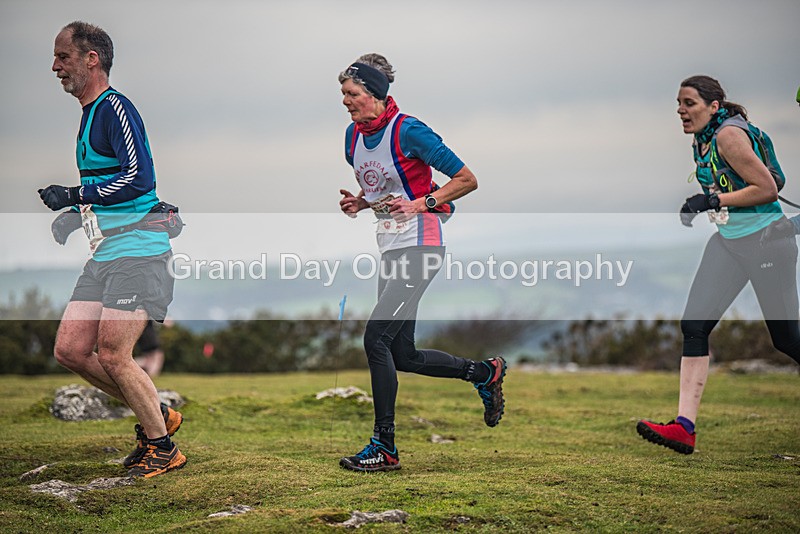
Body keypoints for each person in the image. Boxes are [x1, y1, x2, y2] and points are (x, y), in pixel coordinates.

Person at [336, 54, 507, 472]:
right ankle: (483, 373)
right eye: (343, 94)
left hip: (421, 246)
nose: (345, 101)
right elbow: (388, 188)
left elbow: (466, 179)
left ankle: (384, 446)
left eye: (352, 93)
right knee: (403, 354)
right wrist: (362, 202)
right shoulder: (352, 137)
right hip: (391, 248)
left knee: (375, 340)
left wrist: (423, 203)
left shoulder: (409, 130)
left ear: (374, 94)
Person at [41, 21, 185, 477]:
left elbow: (139, 179)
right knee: (70, 349)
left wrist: (75, 195)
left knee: (113, 353)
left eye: (63, 56)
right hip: (105, 253)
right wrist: (75, 214)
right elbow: (109, 184)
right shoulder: (88, 114)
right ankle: (156, 414)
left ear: (92, 59)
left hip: (140, 252)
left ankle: (162, 447)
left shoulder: (114, 107)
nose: (55, 66)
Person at [637, 75, 800, 454]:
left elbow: (767, 188)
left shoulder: (728, 136)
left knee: (787, 339)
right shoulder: (703, 138)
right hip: (729, 242)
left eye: (689, 103)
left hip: (766, 243)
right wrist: (702, 202)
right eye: (678, 103)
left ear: (713, 106)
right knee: (694, 326)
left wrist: (713, 201)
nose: (681, 110)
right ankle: (684, 428)